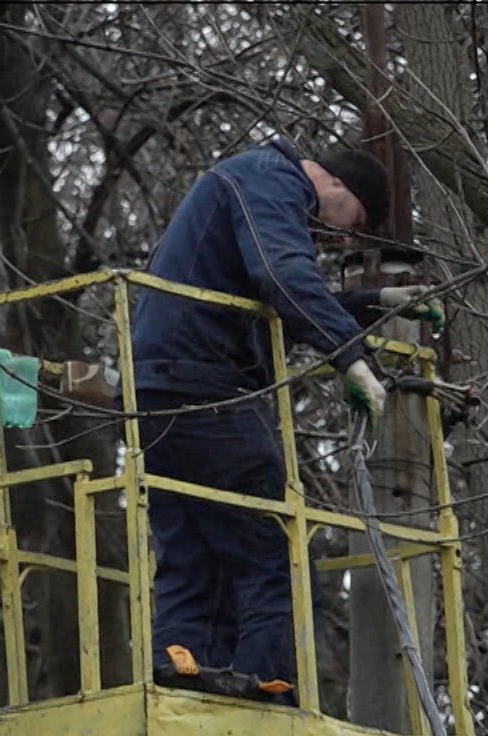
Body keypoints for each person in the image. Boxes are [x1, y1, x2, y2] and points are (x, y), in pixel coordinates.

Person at [129, 137, 432, 703]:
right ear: (335, 187)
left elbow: (273, 304)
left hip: (157, 391)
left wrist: (379, 301)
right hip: (210, 388)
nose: (343, 240)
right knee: (273, 550)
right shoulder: (273, 180)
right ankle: (267, 691)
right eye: (353, 223)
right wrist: (351, 358)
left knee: (193, 553)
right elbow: (280, 274)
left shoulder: (244, 185)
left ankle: (182, 676)